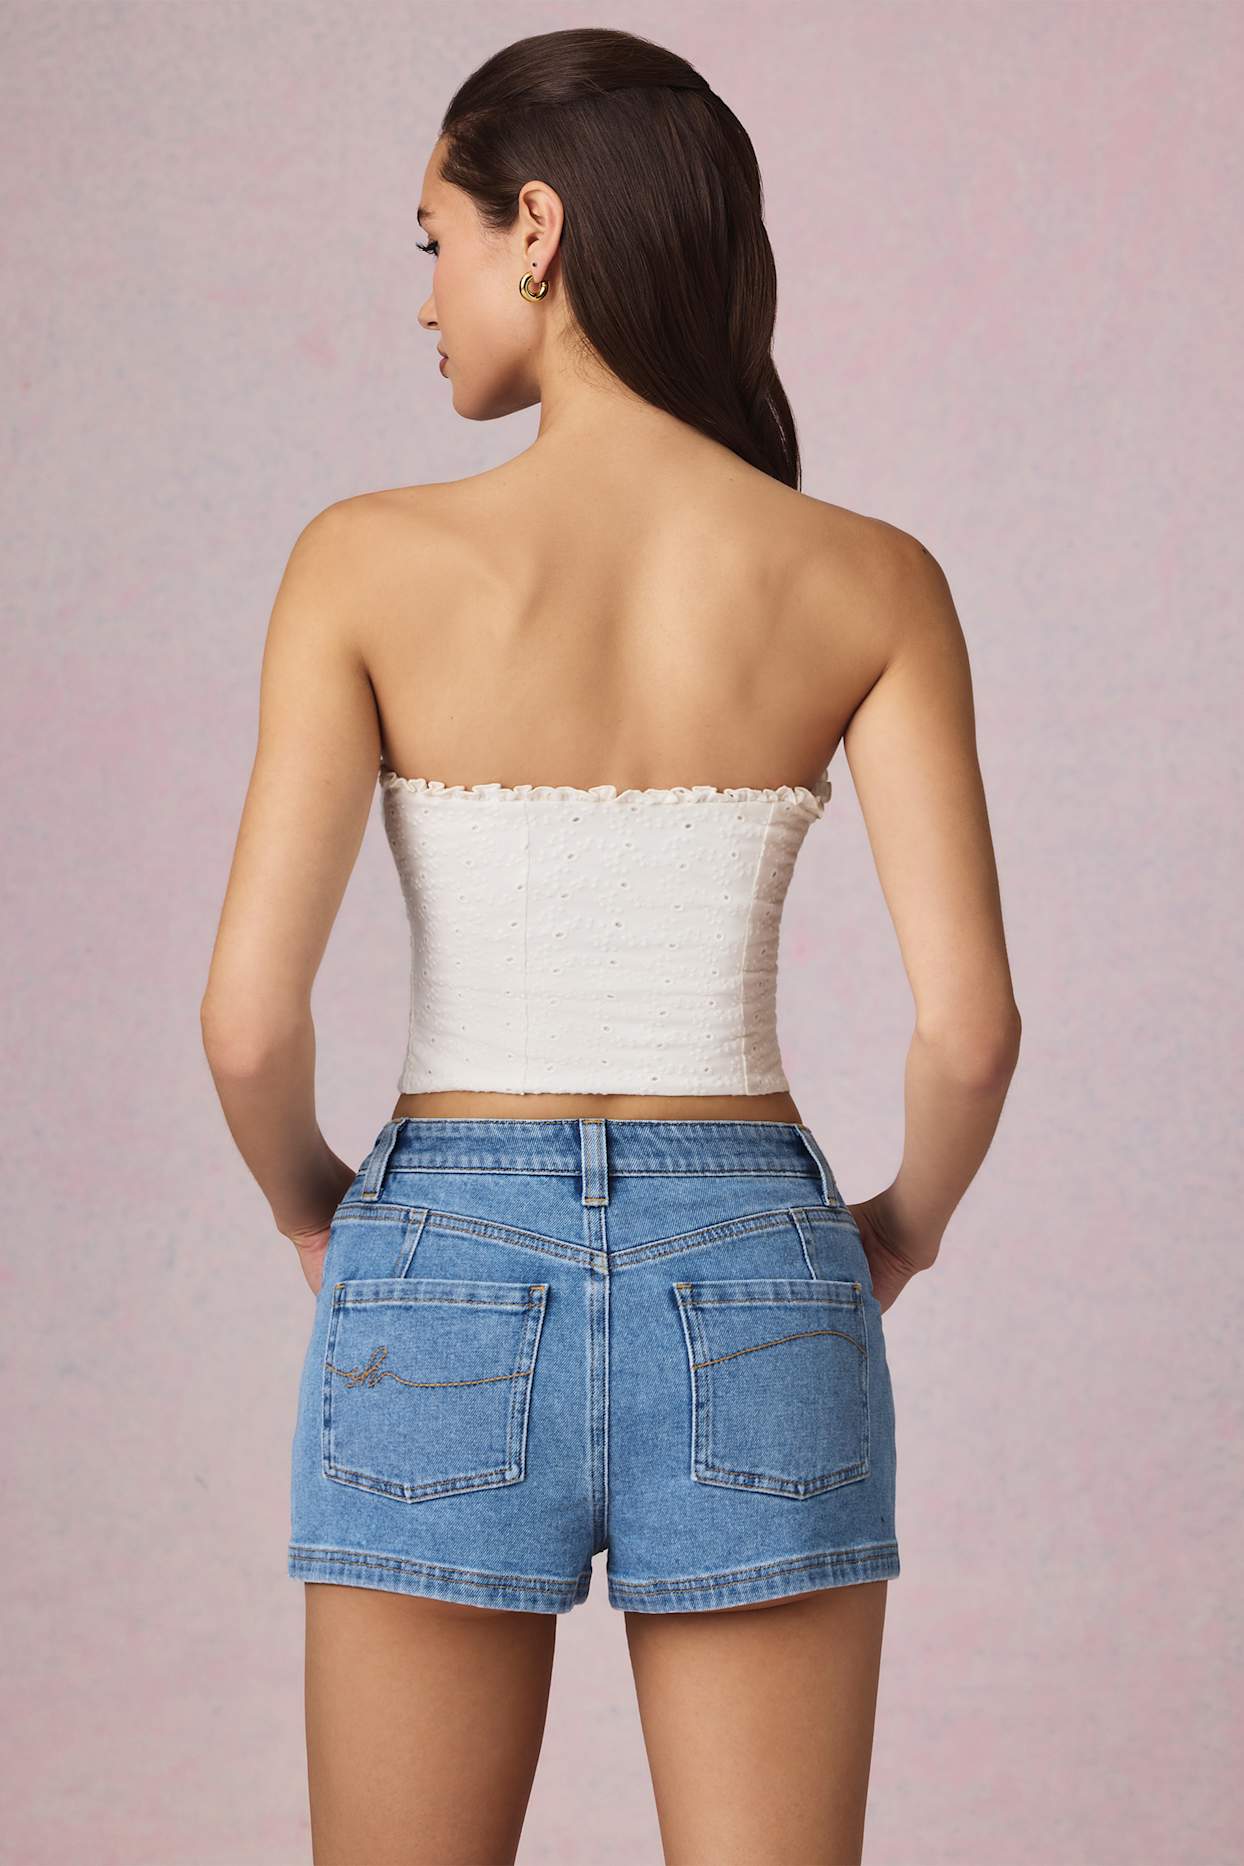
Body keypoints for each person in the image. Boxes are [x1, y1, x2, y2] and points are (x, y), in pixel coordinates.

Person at [200, 26, 1021, 1866]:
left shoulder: (362, 561)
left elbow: (248, 1024)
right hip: (762, 1265)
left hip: (437, 1253)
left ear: (539, 228)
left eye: (435, 238)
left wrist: (327, 1215)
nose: (424, 295)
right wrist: (898, 1232)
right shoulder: (870, 578)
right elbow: (970, 1032)